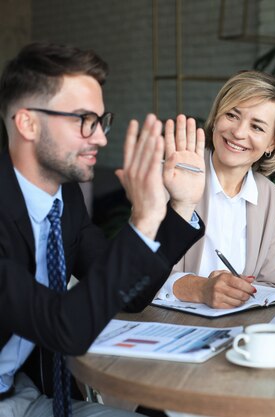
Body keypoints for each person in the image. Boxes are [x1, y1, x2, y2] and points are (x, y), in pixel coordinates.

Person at [0, 42, 206, 416]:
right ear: (27, 122)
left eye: (99, 120)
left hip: (27, 393)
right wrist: (142, 220)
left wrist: (181, 206)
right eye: (83, 120)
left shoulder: (67, 199)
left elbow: (129, 294)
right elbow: (67, 328)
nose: (99, 138)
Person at [155, 71, 275, 309]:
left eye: (257, 127)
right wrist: (201, 290)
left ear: (273, 143)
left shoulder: (271, 197)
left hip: (238, 329)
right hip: (167, 326)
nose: (238, 132)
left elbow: (269, 286)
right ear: (217, 116)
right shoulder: (173, 175)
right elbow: (139, 273)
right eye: (232, 115)